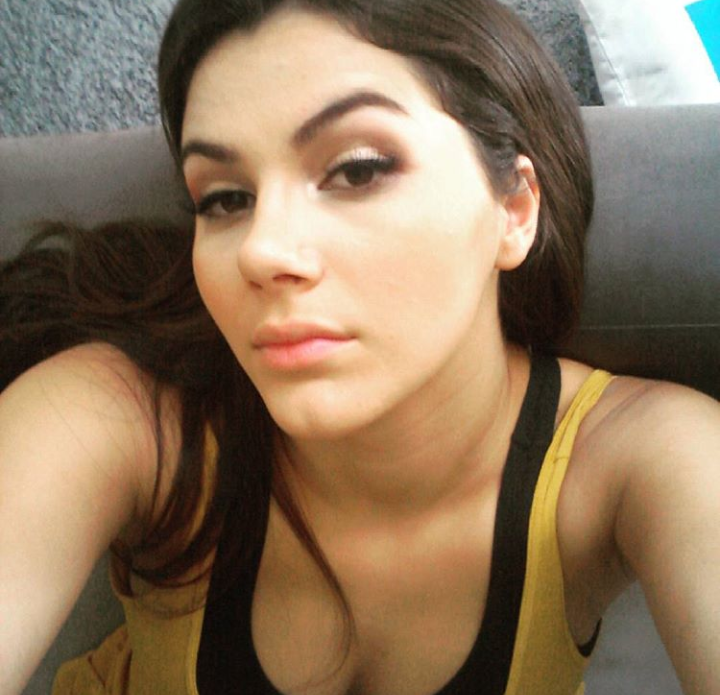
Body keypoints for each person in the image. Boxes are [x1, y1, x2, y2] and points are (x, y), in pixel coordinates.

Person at [0, 0, 718, 693]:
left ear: (514, 208)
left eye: (358, 168)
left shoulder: (642, 458)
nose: (260, 250)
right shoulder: (121, 421)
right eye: (224, 198)